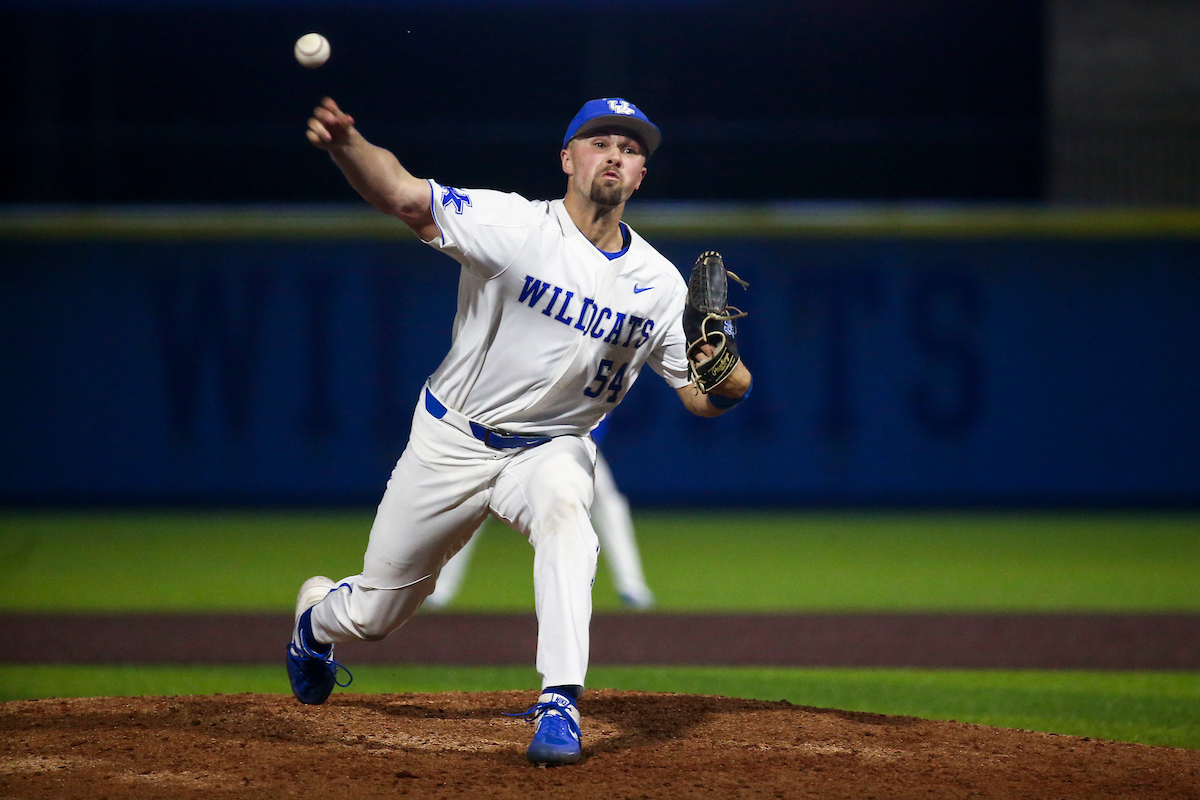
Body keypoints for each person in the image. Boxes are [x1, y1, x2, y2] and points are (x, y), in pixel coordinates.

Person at [286, 95, 753, 767]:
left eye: (630, 149)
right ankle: (315, 621)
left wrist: (727, 377)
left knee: (568, 516)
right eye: (599, 142)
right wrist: (345, 145)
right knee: (375, 615)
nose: (615, 155)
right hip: (452, 440)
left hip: (552, 448)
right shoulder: (513, 226)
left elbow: (700, 398)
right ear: (567, 159)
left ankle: (559, 701)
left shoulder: (658, 284)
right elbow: (402, 195)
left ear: (641, 175)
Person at [424, 417, 656, 610]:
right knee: (473, 502)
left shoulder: (592, 377)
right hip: (513, 440)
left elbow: (596, 419)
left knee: (608, 503)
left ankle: (632, 587)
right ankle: (440, 589)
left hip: (567, 442)